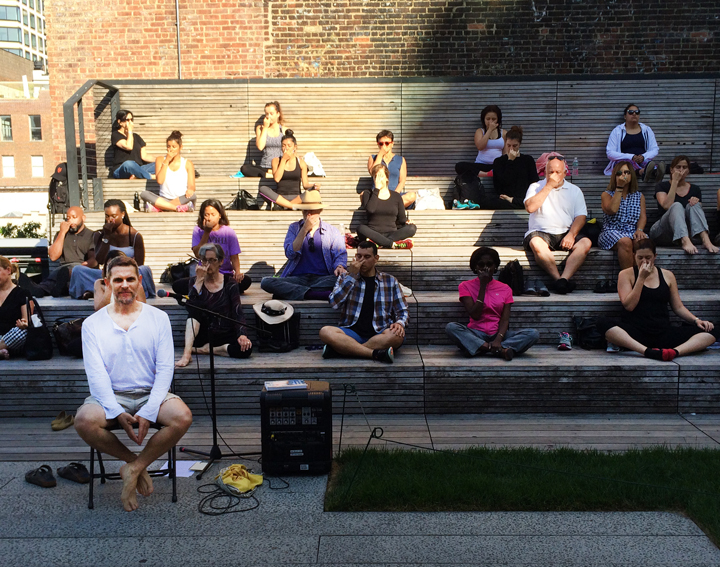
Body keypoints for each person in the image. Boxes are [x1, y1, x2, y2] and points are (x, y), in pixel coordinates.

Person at [74, 255, 193, 512]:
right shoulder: (92, 324)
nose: (125, 285)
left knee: (182, 416)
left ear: (139, 281)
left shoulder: (158, 318)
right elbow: (96, 376)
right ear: (107, 283)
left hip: (153, 392)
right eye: (118, 280)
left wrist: (150, 410)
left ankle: (135, 469)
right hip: (111, 395)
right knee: (83, 420)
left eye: (130, 279)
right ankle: (133, 463)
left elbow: (164, 370)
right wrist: (116, 411)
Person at [597, 239, 718, 361]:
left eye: (648, 257)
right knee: (602, 323)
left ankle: (674, 352)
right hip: (635, 332)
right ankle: (647, 351)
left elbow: (678, 307)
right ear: (634, 256)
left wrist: (696, 320)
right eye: (640, 258)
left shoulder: (668, 275)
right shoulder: (625, 274)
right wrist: (641, 278)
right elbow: (629, 306)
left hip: (662, 331)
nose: (644, 261)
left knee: (713, 331)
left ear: (655, 256)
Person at [319, 241, 408, 363]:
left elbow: (402, 310)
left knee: (397, 336)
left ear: (376, 258)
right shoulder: (345, 278)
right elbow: (334, 303)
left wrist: (400, 323)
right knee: (325, 331)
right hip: (351, 332)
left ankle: (343, 350)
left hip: (379, 332)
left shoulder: (390, 281)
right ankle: (374, 354)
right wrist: (352, 276)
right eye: (359, 256)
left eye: (367, 257)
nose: (361, 261)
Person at [445, 247, 539, 360]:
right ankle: (497, 350)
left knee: (533, 334)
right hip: (475, 333)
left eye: (489, 264)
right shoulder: (465, 286)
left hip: (498, 334)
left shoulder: (505, 288)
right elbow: (475, 314)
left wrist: (498, 339)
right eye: (481, 265)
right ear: (475, 267)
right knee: (451, 327)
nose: (485, 268)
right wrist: (483, 286)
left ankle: (480, 348)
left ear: (495, 267)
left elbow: (505, 320)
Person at [260, 190, 347, 300]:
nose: (308, 214)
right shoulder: (294, 228)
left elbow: (340, 254)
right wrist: (304, 229)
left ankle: (294, 292)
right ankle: (314, 294)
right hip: (297, 278)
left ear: (320, 210)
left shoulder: (332, 231)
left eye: (312, 210)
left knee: (344, 280)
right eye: (305, 210)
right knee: (266, 282)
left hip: (322, 278)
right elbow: (290, 254)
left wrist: (339, 266)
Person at [175, 243, 252, 367]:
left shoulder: (229, 283)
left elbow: (237, 311)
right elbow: (190, 307)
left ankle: (205, 350)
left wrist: (242, 334)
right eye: (204, 260)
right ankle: (187, 354)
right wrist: (199, 280)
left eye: (212, 260)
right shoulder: (195, 281)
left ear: (220, 261)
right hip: (203, 332)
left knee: (246, 349)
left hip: (224, 333)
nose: (207, 264)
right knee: (194, 312)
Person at [524, 155, 591, 294]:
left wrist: (572, 235)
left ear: (565, 173)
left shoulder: (574, 190)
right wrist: (548, 186)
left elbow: (581, 216)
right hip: (540, 232)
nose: (553, 175)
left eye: (557, 172)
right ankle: (559, 280)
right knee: (537, 244)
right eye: (550, 172)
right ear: (545, 172)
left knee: (585, 243)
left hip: (565, 231)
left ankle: (563, 279)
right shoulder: (535, 186)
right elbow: (530, 208)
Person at [68, 200, 156, 299]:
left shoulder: (135, 236)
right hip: (107, 275)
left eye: (114, 216)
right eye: (107, 216)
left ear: (122, 214)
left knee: (144, 270)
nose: (110, 220)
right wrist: (107, 237)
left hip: (126, 275)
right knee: (78, 270)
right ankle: (103, 289)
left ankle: (99, 291)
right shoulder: (99, 235)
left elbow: (139, 264)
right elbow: (100, 260)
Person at [172, 199, 251, 296]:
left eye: (213, 215)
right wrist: (207, 232)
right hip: (204, 274)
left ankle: (216, 289)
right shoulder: (198, 230)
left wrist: (238, 273)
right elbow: (197, 254)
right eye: (206, 215)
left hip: (224, 274)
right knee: (177, 285)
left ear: (220, 215)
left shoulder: (229, 232)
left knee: (246, 281)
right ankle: (222, 289)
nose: (209, 218)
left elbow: (234, 256)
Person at [19, 206, 97, 298]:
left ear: (83, 218)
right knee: (58, 277)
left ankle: (51, 289)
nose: (71, 221)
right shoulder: (61, 234)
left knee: (68, 277)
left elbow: (94, 260)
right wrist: (62, 232)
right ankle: (38, 290)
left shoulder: (92, 235)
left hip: (81, 269)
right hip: (62, 271)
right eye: (68, 218)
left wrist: (79, 268)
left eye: (74, 217)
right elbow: (53, 256)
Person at [648, 155, 718, 255]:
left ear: (688, 171)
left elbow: (697, 215)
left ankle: (706, 240)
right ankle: (684, 240)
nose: (681, 170)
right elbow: (667, 206)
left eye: (684, 167)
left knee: (694, 205)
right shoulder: (662, 186)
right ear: (671, 170)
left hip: (689, 232)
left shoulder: (695, 189)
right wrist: (675, 182)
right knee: (676, 205)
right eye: (678, 167)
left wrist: (697, 202)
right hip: (662, 232)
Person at [598, 161, 648, 270]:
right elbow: (612, 210)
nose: (623, 175)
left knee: (642, 243)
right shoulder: (606, 194)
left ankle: (642, 278)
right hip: (611, 231)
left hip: (632, 231)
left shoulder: (639, 196)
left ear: (632, 176)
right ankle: (628, 278)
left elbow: (642, 217)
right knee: (625, 241)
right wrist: (619, 188)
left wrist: (639, 229)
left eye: (627, 172)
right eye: (619, 173)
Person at [357, 163, 416, 249]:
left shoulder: (396, 196)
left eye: (380, 176)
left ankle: (380, 243)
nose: (378, 179)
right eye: (375, 176)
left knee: (412, 228)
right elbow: (371, 210)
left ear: (387, 178)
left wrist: (408, 222)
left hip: (391, 233)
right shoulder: (367, 194)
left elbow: (402, 220)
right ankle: (389, 244)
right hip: (373, 232)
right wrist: (376, 190)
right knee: (360, 228)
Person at [481, 125, 539, 210]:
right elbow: (499, 185)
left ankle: (518, 202)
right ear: (505, 144)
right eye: (508, 145)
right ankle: (517, 203)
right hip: (505, 198)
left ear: (519, 144)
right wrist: (510, 161)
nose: (511, 149)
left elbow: (534, 183)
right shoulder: (499, 161)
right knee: (486, 202)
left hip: (522, 198)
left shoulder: (527, 160)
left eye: (515, 146)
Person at [262, 129, 320, 210]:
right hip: (280, 197)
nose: (286, 148)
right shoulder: (276, 161)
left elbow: (305, 185)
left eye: (289, 146)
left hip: (297, 197)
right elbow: (277, 179)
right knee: (263, 189)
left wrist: (314, 186)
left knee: (314, 192)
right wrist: (283, 160)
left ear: (294, 147)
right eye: (283, 145)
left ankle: (284, 206)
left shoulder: (301, 162)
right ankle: (290, 206)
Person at [140, 131, 196, 213]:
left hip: (180, 198)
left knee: (193, 196)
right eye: (169, 146)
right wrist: (166, 161)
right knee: (144, 194)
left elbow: (192, 186)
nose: (171, 149)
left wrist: (190, 190)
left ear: (180, 147)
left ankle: (160, 208)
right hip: (164, 198)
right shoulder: (160, 160)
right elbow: (160, 180)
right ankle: (177, 208)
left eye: (174, 147)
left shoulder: (187, 163)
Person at [604, 103, 663, 182]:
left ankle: (655, 171)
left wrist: (643, 157)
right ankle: (643, 172)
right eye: (630, 112)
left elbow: (655, 149)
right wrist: (631, 157)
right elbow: (610, 152)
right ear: (625, 116)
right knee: (627, 164)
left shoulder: (646, 130)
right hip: (624, 161)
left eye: (637, 112)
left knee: (648, 163)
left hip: (642, 160)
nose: (634, 114)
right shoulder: (617, 131)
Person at [455, 105, 506, 178]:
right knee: (459, 166)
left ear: (498, 120)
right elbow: (480, 147)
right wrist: (489, 130)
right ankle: (486, 174)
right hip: (481, 165)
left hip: (496, 166)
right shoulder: (480, 131)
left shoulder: (504, 133)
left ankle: (492, 172)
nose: (490, 122)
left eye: (493, 119)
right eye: (488, 119)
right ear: (484, 119)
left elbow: (505, 154)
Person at [367, 130, 415, 208]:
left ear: (392, 144)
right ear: (378, 145)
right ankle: (389, 207)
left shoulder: (400, 159)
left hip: (394, 195)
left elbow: (402, 181)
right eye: (381, 144)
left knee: (412, 196)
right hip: (378, 195)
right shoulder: (373, 158)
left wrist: (394, 196)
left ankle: (387, 206)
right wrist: (380, 154)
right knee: (364, 195)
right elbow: (372, 172)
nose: (384, 146)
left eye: (387, 143)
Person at [238, 101, 284, 178]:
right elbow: (260, 146)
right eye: (267, 114)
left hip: (280, 166)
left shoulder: (284, 130)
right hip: (265, 167)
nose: (268, 117)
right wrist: (265, 128)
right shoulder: (260, 128)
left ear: (278, 114)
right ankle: (270, 175)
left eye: (271, 114)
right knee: (245, 168)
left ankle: (273, 173)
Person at [110, 110, 156, 180]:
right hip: (122, 169)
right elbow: (129, 146)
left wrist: (160, 160)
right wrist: (130, 130)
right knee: (129, 164)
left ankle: (137, 176)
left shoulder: (136, 137)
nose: (130, 122)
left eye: (131, 120)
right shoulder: (116, 135)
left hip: (138, 168)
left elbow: (144, 156)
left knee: (159, 164)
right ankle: (150, 176)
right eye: (127, 120)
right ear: (120, 122)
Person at [0, 257, 29, 360]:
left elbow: (27, 322)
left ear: (8, 270)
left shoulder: (21, 293)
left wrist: (23, 325)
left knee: (22, 332)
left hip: (13, 339)